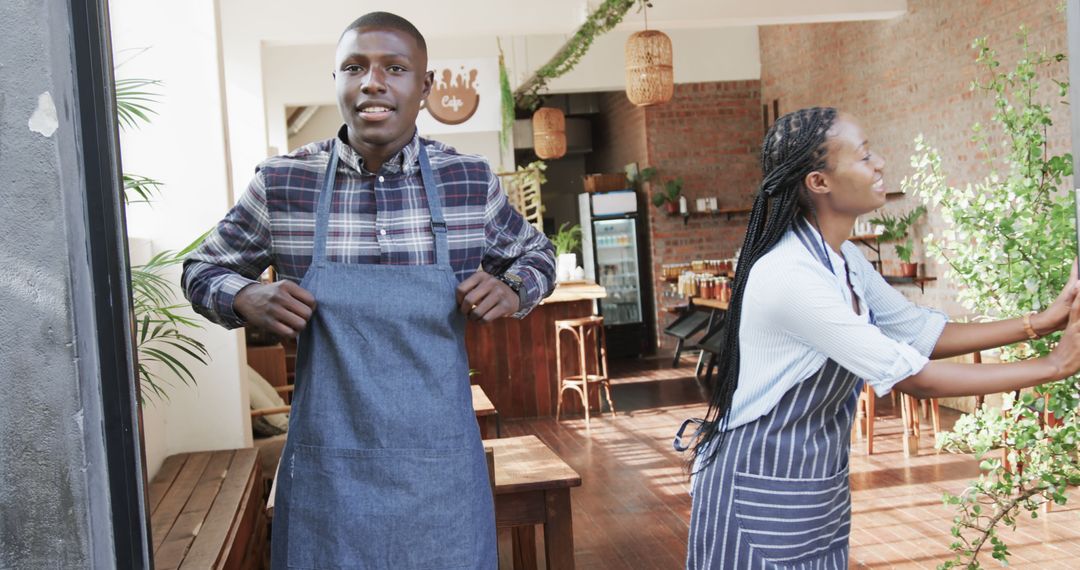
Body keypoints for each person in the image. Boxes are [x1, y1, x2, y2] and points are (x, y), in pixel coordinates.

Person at [182, 12, 555, 569]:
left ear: (424, 87)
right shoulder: (284, 183)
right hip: (327, 481)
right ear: (336, 81)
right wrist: (245, 297)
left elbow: (537, 255)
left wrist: (514, 287)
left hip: (440, 478)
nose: (372, 82)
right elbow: (201, 269)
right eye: (354, 67)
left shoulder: (468, 182)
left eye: (395, 68)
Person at [673, 106, 1080, 569]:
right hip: (756, 484)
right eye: (864, 156)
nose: (880, 163)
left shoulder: (844, 260)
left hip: (811, 486)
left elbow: (920, 334)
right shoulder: (790, 274)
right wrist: (1053, 366)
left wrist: (1042, 322)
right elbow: (912, 376)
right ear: (818, 182)